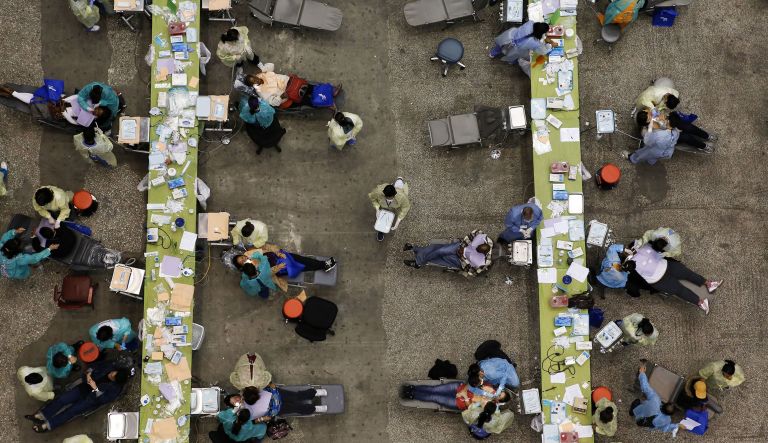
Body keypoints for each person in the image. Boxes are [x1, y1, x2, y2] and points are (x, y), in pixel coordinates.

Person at [26, 361, 131, 433]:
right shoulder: (110, 366)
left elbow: (103, 400)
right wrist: (89, 372)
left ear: (116, 382)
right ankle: (42, 415)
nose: (111, 375)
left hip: (89, 400)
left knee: (70, 412)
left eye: (113, 377)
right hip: (83, 387)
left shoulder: (116, 389)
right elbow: (96, 365)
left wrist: (96, 389)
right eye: (113, 373)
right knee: (62, 399)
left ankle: (47, 425)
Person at [627, 240, 722, 314]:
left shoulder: (645, 245)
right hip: (658, 280)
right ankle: (700, 302)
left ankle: (709, 284)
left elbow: (656, 243)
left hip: (667, 266)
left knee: (687, 274)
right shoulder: (629, 265)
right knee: (679, 290)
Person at [403, 230, 493, 277]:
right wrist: (462, 247)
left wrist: (463, 257)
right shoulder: (482, 238)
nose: (475, 249)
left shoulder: (482, 262)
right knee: (439, 250)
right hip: (460, 247)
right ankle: (417, 260)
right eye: (477, 247)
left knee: (442, 257)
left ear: (483, 253)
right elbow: (473, 234)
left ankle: (416, 253)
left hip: (460, 260)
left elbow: (471, 272)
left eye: (478, 250)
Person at [630, 363, 685, 436]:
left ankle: (632, 412)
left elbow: (645, 387)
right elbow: (666, 428)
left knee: (637, 401)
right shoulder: (667, 420)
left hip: (641, 413)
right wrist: (677, 426)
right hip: (644, 423)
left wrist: (642, 373)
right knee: (640, 420)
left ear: (663, 405)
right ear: (670, 414)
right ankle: (634, 416)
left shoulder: (655, 400)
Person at [225, 383, 328, 417]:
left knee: (296, 396)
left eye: (234, 398)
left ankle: (315, 393)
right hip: (276, 409)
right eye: (234, 402)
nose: (236, 400)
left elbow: (259, 385)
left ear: (235, 395)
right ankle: (315, 409)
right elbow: (254, 418)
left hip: (275, 394)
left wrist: (271, 384)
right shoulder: (242, 411)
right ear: (235, 406)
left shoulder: (245, 390)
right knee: (296, 408)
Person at [488, 21, 556, 65]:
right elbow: (543, 51)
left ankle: (492, 53)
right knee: (512, 55)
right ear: (541, 33)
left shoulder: (530, 23)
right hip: (516, 48)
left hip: (510, 35)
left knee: (500, 44)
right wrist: (550, 45)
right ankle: (511, 62)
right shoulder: (536, 43)